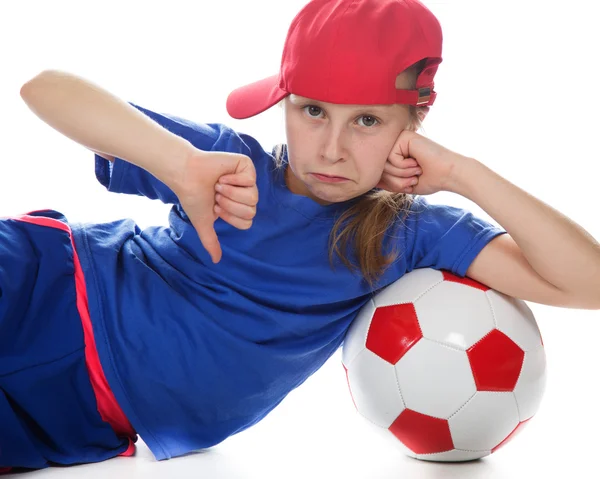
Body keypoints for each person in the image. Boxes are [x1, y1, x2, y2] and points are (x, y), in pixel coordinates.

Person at [2, 0, 599, 474]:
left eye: (367, 119)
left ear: (412, 126)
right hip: (46, 287)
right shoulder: (231, 166)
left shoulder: (405, 235)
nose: (332, 148)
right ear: (284, 103)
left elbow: (589, 283)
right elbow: (44, 89)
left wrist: (465, 174)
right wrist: (176, 163)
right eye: (313, 110)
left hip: (86, 409)